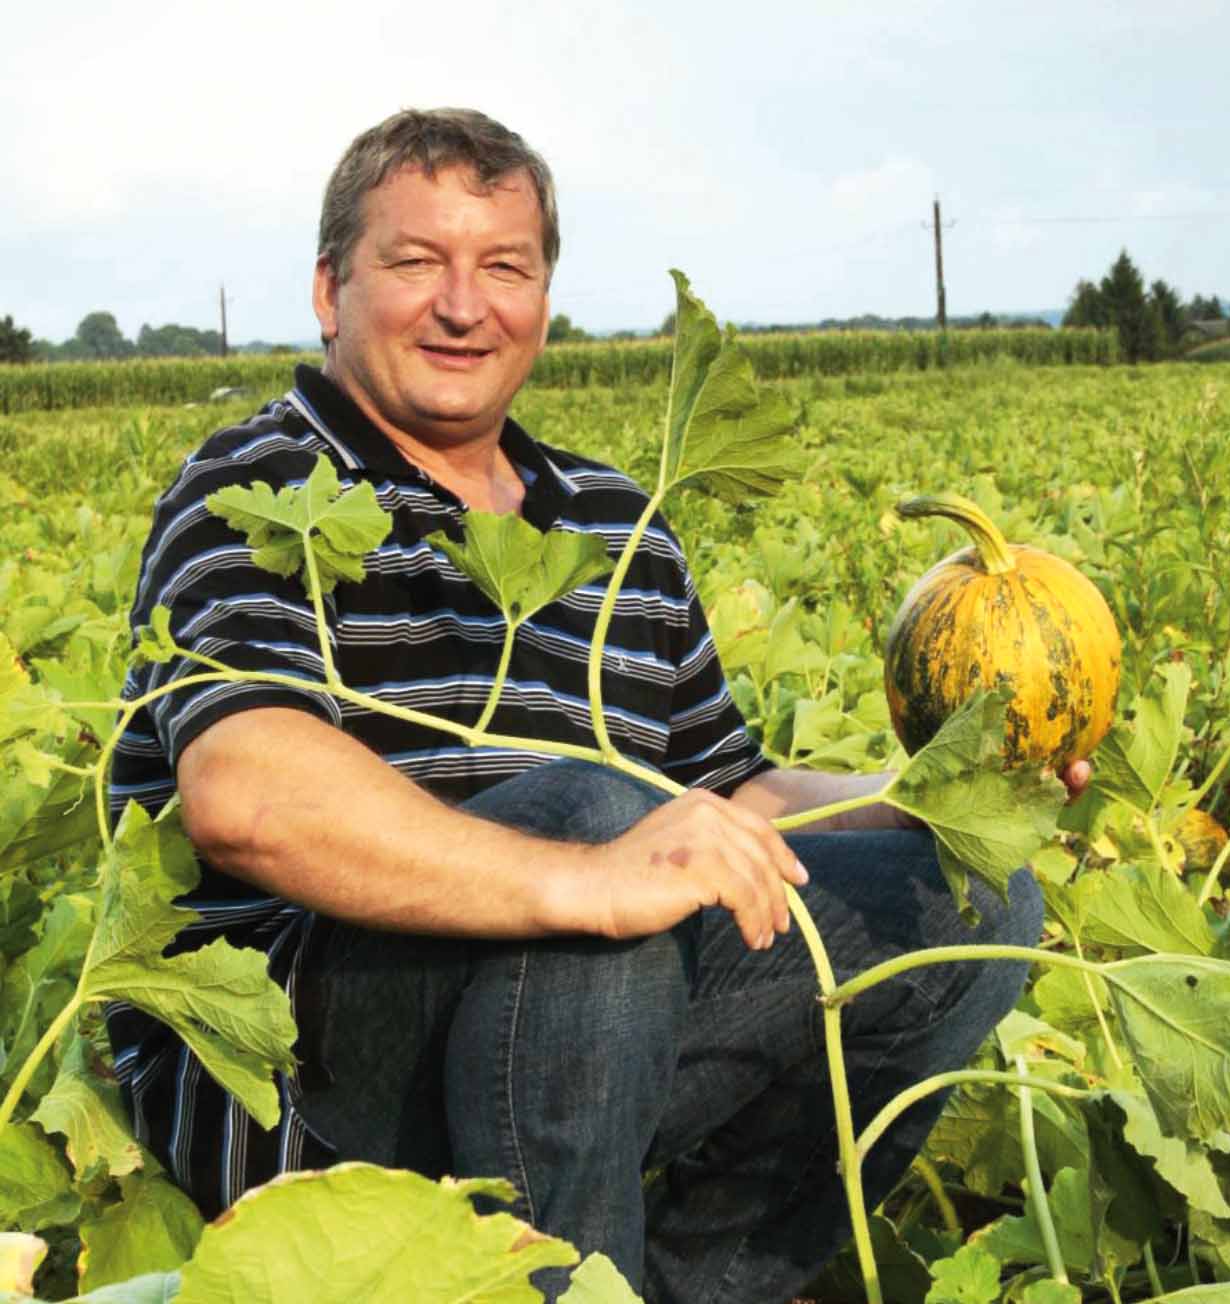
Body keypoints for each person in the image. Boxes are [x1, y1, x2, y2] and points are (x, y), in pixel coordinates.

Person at [110, 108, 1080, 1303]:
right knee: (589, 813)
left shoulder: (616, 524)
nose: (464, 304)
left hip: (583, 1027)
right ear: (328, 289)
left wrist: (939, 797)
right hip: (299, 1084)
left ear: (542, 298)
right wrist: (585, 871)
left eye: (504, 267)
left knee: (970, 895)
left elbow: (730, 794)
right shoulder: (256, 489)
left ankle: (681, 1286)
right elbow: (242, 792)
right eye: (416, 262)